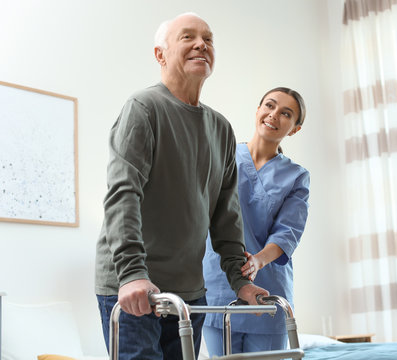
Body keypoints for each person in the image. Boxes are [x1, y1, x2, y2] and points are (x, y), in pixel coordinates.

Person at [94, 12, 268, 360]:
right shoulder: (144, 108)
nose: (201, 44)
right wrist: (131, 274)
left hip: (188, 292)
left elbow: (225, 215)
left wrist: (240, 280)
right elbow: (122, 195)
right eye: (187, 37)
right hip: (134, 286)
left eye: (208, 38)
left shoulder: (220, 128)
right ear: (160, 54)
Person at [202, 87, 310, 355]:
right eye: (269, 106)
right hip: (218, 284)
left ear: (294, 128)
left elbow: (287, 233)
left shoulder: (297, 177)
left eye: (286, 113)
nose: (274, 115)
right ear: (258, 110)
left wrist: (257, 261)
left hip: (268, 288)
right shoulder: (222, 157)